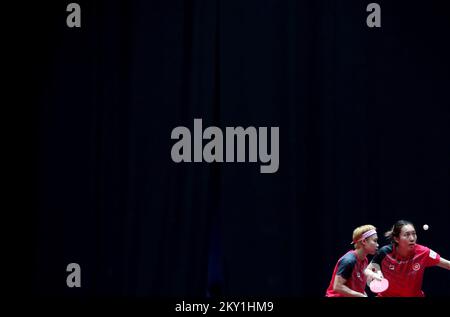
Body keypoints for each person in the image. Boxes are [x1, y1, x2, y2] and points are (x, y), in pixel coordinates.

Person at [365, 220, 450, 297]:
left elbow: (447, 265)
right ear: (396, 239)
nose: (412, 238)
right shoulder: (384, 252)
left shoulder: (424, 252)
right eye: (406, 235)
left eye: (414, 234)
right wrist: (374, 275)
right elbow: (367, 270)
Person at [325, 225, 379, 297]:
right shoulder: (349, 261)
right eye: (375, 241)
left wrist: (362, 294)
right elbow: (337, 287)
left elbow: (356, 288)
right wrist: (360, 295)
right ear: (364, 241)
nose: (377, 244)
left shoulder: (364, 260)